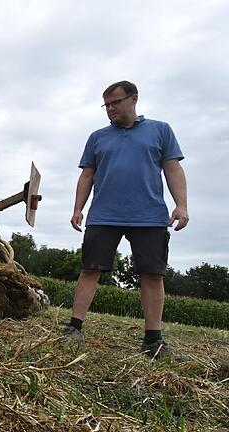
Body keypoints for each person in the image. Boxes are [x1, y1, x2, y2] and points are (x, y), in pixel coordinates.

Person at [63, 80, 189, 359]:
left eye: (115, 103)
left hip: (149, 216)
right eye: (106, 105)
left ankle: (153, 340)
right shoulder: (97, 137)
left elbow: (173, 168)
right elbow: (87, 175)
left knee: (153, 275)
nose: (110, 109)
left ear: (133, 99)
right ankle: (74, 327)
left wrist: (181, 205)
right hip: (104, 215)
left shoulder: (160, 130)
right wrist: (77, 209)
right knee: (90, 268)